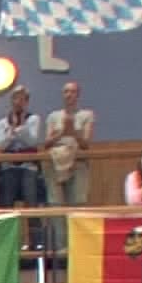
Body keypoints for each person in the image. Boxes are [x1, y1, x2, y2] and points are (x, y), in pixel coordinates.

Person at [44, 80, 96, 210]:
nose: (69, 94)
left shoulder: (86, 115)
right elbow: (47, 143)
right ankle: (58, 224)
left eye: (72, 91)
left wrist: (73, 132)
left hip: (78, 162)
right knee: (56, 203)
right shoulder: (53, 116)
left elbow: (86, 144)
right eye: (66, 91)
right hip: (56, 162)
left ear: (78, 95)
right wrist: (61, 133)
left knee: (78, 203)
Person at [0, 88, 42, 210]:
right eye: (15, 98)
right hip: (9, 166)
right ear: (11, 101)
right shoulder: (3, 122)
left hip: (28, 166)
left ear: (26, 102)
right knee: (6, 202)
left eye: (22, 99)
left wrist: (20, 128)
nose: (18, 102)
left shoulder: (34, 119)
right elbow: (1, 146)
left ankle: (33, 223)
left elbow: (32, 142)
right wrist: (12, 133)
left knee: (31, 201)